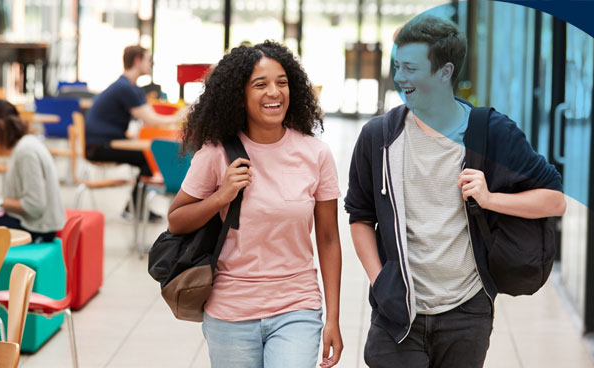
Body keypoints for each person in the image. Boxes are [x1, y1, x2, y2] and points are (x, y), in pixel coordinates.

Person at [343, 15, 566, 367]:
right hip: (398, 311)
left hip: (466, 312)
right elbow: (360, 215)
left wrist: (491, 199)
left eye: (412, 68)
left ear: (445, 72)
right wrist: (379, 281)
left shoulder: (491, 132)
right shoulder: (378, 137)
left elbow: (555, 201)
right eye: (398, 66)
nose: (401, 77)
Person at [166, 41, 343, 368]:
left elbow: (329, 238)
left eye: (282, 82)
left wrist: (333, 317)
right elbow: (176, 220)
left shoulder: (316, 154)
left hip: (297, 306)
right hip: (230, 310)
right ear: (239, 95)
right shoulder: (216, 154)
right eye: (260, 84)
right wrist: (221, 197)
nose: (274, 92)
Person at [85, 45, 188, 221]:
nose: (151, 64)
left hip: (103, 142)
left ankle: (134, 207)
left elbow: (150, 117)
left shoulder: (128, 86)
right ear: (137, 61)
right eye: (148, 60)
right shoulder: (126, 88)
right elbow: (151, 120)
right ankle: (135, 208)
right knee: (149, 157)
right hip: (98, 146)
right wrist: (178, 117)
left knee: (148, 155)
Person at [0, 100, 66, 244]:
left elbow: (35, 206)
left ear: (0, 125)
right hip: (33, 224)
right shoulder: (26, 145)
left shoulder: (26, 152)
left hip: (37, 229)